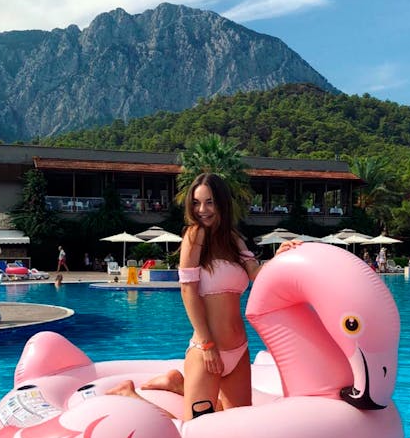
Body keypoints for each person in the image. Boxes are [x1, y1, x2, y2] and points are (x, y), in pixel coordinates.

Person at [107, 172, 301, 420]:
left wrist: (280, 257)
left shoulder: (234, 239)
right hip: (207, 349)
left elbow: (256, 274)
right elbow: (188, 291)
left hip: (239, 350)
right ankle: (129, 395)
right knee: (195, 433)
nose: (202, 210)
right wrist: (208, 346)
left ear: (221, 203)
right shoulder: (194, 235)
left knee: (239, 426)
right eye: (197, 203)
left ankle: (178, 384)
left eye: (209, 202)